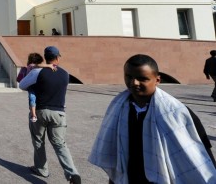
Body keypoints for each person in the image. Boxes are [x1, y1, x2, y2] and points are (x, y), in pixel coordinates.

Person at [89, 54, 216, 183]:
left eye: (142, 78)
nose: (134, 83)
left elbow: (201, 154)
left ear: (157, 80)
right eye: (129, 77)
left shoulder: (177, 112)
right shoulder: (119, 107)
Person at [19, 46, 81, 184]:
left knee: (38, 141)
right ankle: (72, 173)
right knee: (60, 144)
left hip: (40, 111)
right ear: (58, 57)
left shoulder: (37, 72)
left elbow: (22, 85)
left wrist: (38, 68)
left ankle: (42, 169)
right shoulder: (65, 73)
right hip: (59, 113)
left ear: (45, 57)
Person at [16, 53, 54, 123]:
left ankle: (32, 112)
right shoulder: (31, 66)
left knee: (32, 97)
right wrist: (48, 65)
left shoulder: (33, 66)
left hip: (33, 85)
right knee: (32, 97)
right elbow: (38, 65)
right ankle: (33, 115)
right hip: (32, 85)